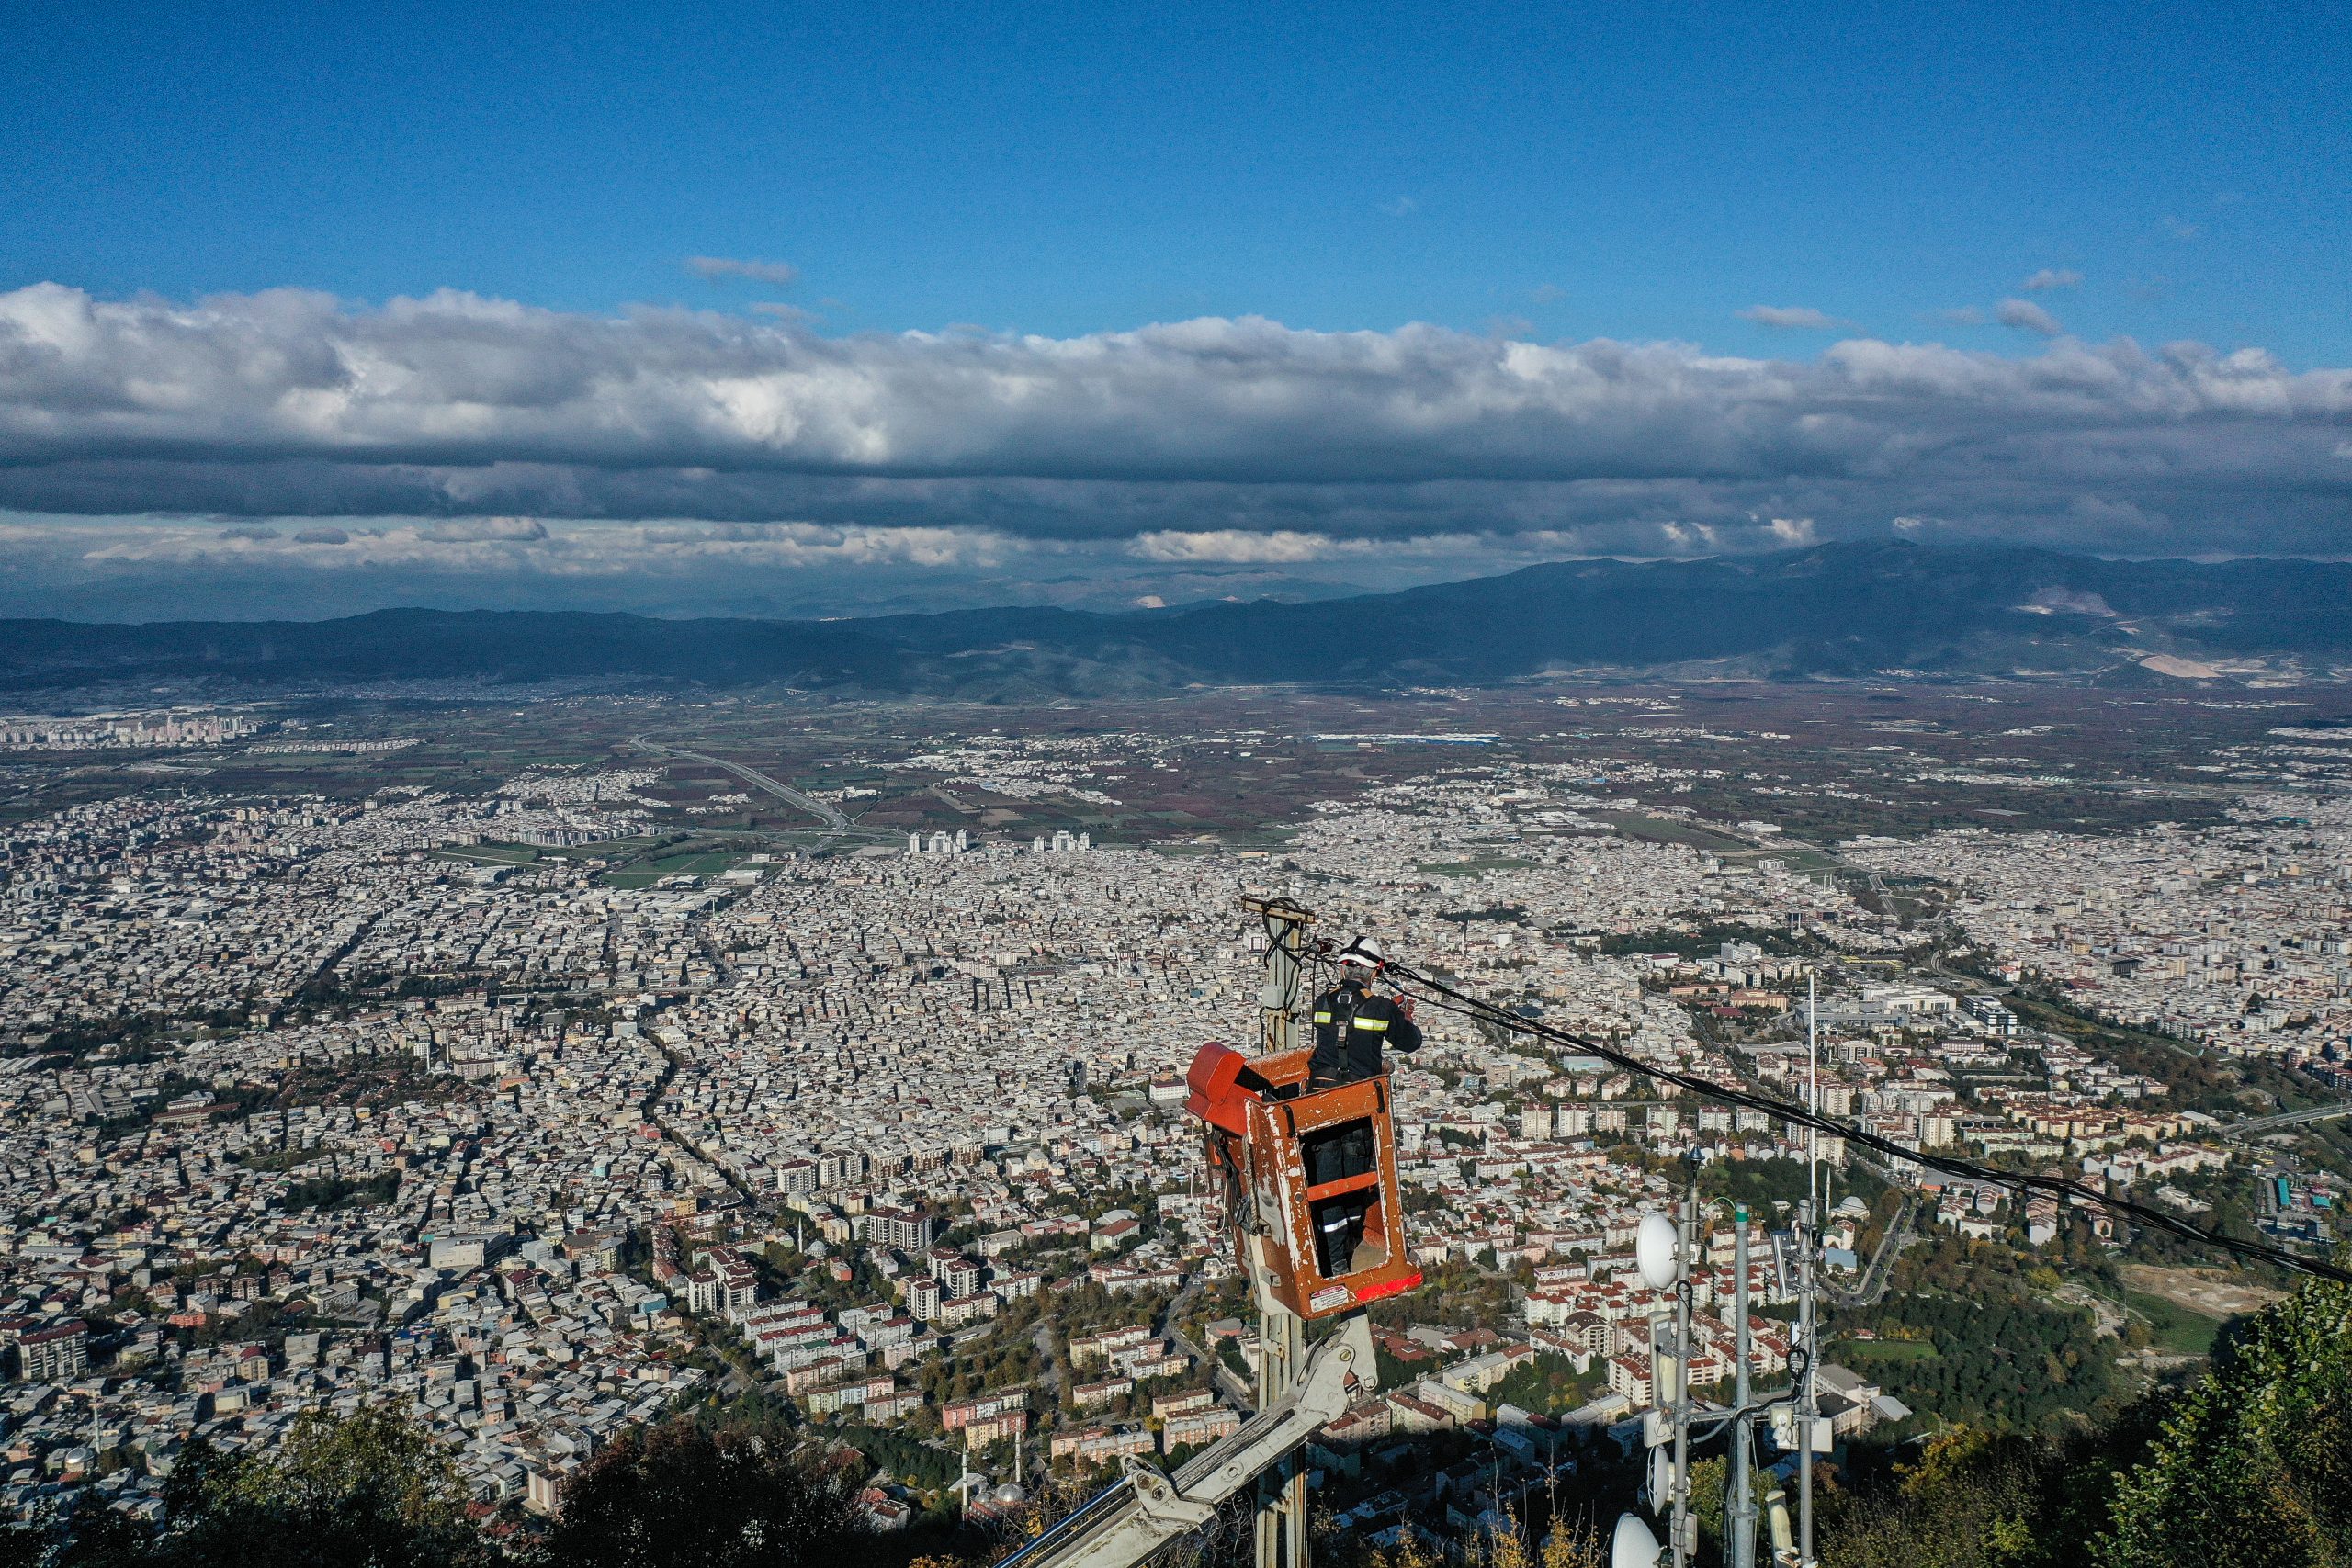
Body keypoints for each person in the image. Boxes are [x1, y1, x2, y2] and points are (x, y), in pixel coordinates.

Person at [1303, 936, 1421, 1276]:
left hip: (1320, 1102)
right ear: (1374, 972)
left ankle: (1331, 1256)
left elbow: (1334, 1038)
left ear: (1344, 968)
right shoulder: (1381, 1008)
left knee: (1325, 1181)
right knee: (1355, 1179)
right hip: (1358, 1104)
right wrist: (1402, 1016)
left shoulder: (1321, 1003)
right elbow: (1411, 1042)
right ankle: (1348, 1247)